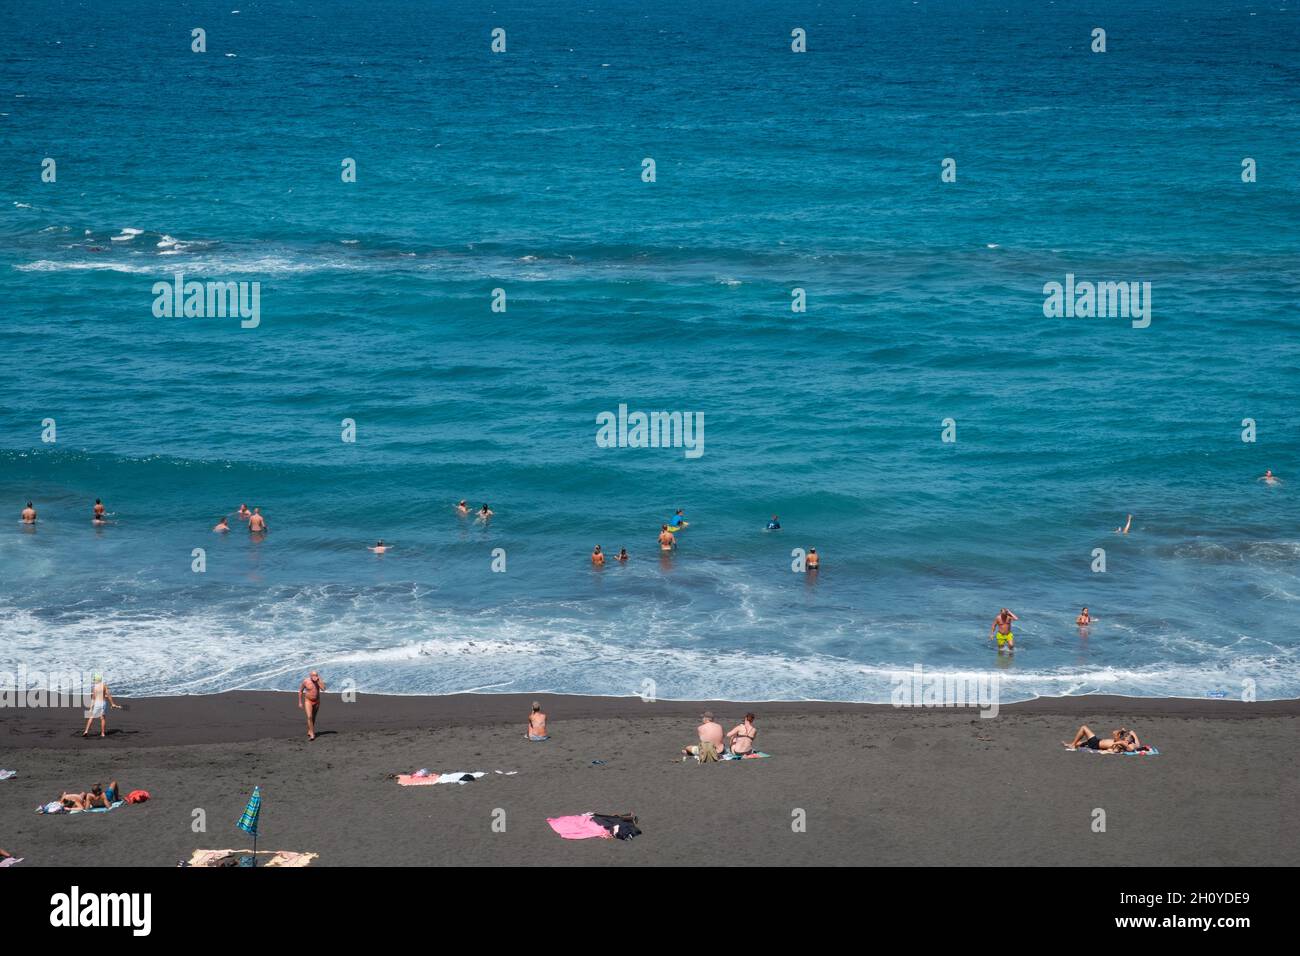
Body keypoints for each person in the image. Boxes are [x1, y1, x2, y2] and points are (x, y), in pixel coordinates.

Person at [1063, 725, 1144, 752]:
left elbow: (1114, 732)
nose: (1125, 736)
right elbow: (1136, 741)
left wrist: (1121, 731)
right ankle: (1071, 744)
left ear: (1129, 740)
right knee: (1082, 743)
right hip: (1098, 741)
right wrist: (1132, 735)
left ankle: (1073, 745)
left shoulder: (1121, 742)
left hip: (1095, 744)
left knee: (1084, 728)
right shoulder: (1131, 744)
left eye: (1127, 736)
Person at [299, 671, 325, 740]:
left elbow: (323, 689)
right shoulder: (305, 681)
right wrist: (300, 702)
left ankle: (310, 730)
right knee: (309, 716)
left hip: (317, 701)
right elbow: (301, 691)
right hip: (308, 701)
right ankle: (312, 734)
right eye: (313, 675)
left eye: (316, 675)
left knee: (313, 717)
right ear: (310, 676)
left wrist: (318, 681)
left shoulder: (319, 680)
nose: (314, 677)